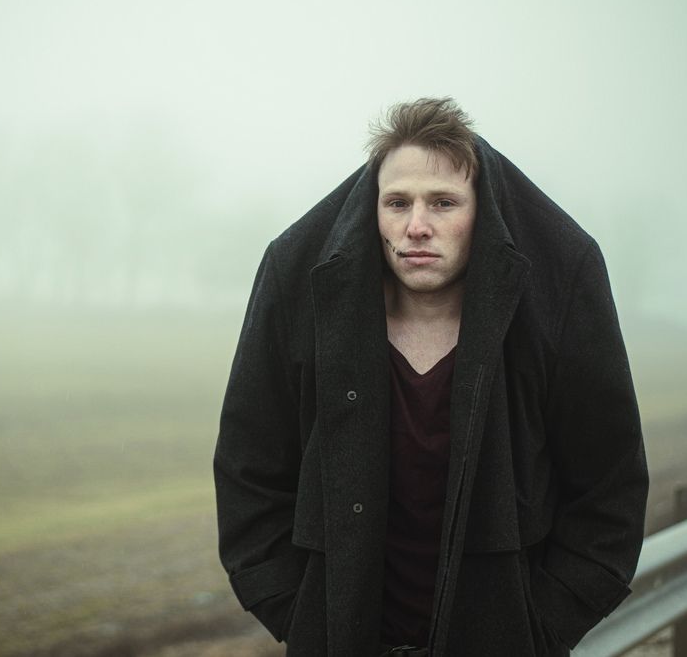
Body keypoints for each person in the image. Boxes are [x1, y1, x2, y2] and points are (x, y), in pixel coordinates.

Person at [213, 97, 648, 656]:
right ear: (373, 210)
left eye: (443, 203)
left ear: (483, 212)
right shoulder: (302, 286)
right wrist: (302, 613)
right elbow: (248, 466)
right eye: (397, 203)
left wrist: (538, 628)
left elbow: (610, 483)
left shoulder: (555, 293)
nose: (417, 227)